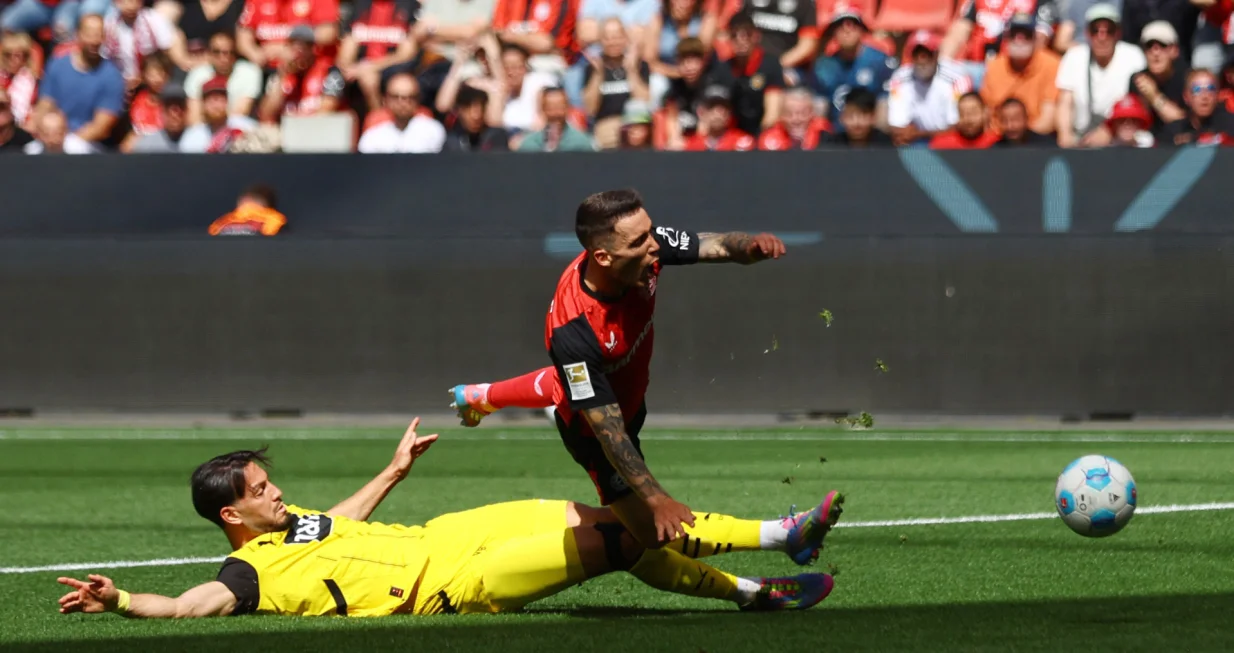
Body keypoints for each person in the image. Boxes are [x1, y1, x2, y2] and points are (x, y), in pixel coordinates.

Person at [446, 191, 844, 610]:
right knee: (648, 536)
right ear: (603, 257)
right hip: (596, 437)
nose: (655, 244)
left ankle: (481, 396)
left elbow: (715, 244)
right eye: (640, 240)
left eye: (651, 232)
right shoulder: (573, 331)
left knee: (567, 386)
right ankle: (767, 567)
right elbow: (607, 431)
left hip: (625, 399)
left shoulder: (644, 249)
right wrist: (655, 499)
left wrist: (749, 247)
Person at [56, 418, 841, 618]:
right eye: (262, 489)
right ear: (233, 513)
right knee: (619, 536)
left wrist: (393, 471)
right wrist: (120, 599)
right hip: (457, 582)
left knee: (614, 512)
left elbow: (339, 521)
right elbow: (186, 605)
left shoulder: (291, 523)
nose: (277, 490)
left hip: (446, 534)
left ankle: (762, 575)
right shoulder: (246, 571)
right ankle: (776, 550)